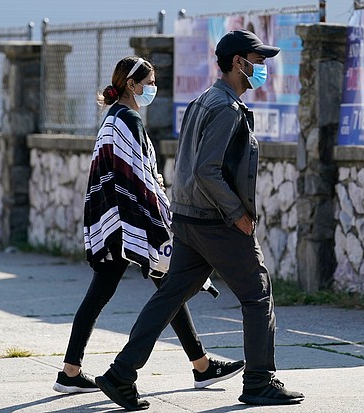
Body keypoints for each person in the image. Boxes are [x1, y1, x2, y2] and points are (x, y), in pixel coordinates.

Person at [95, 31, 304, 411]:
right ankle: (260, 380)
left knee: (170, 296)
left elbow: (192, 164)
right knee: (258, 296)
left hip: (190, 218)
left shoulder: (204, 100)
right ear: (237, 63)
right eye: (257, 61)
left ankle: (120, 374)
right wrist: (237, 213)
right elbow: (208, 170)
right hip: (215, 221)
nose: (262, 69)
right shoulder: (224, 107)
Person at [52, 55, 244, 395]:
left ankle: (72, 371)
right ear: (132, 85)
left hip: (114, 219)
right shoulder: (128, 120)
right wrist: (162, 218)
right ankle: (198, 367)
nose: (153, 89)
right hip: (130, 222)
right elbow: (140, 179)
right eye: (150, 83)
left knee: (147, 290)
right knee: (164, 289)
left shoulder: (113, 118)